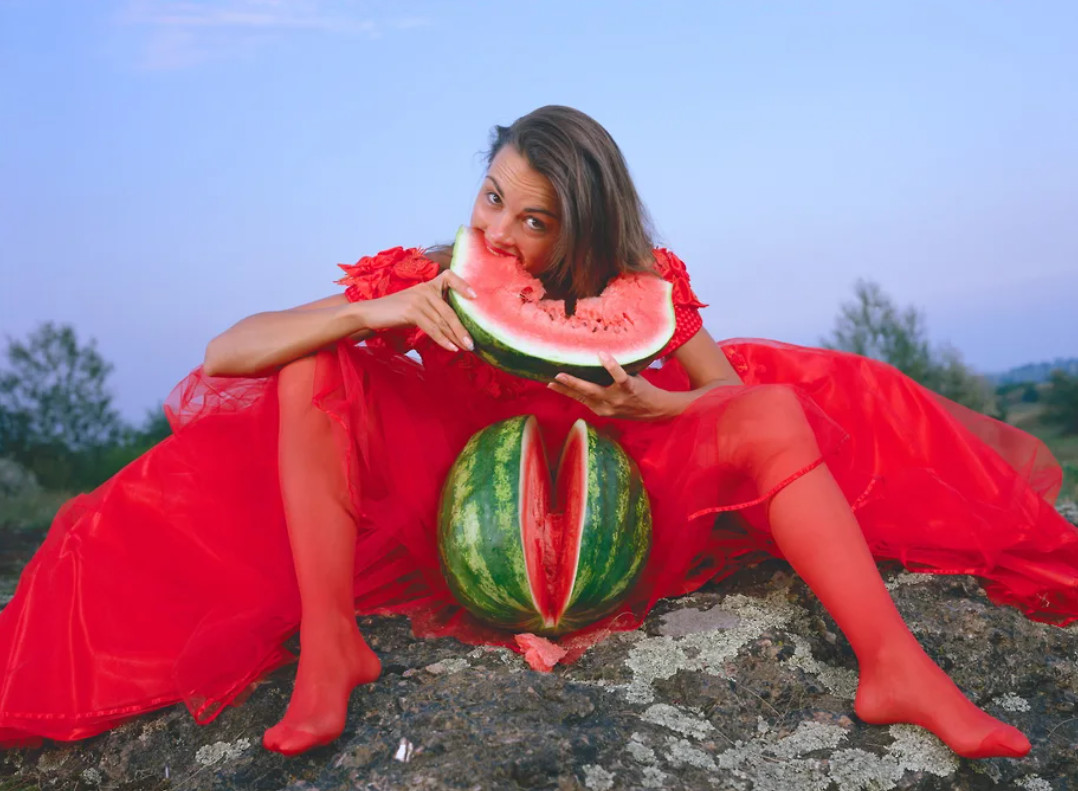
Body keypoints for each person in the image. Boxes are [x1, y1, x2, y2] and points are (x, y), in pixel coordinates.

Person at [1, 106, 1075, 760]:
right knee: (310, 363)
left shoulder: (643, 285)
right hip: (447, 514)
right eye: (492, 197)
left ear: (586, 230)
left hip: (613, 496)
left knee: (776, 405)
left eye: (534, 219)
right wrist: (373, 311)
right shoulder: (426, 273)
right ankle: (333, 644)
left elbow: (725, 400)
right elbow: (230, 349)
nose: (498, 232)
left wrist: (654, 407)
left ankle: (896, 665)